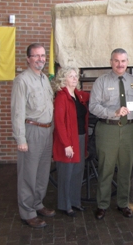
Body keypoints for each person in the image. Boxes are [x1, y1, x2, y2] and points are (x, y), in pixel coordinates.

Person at [89, 48, 133, 220]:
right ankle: (102, 205)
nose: (120, 64)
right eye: (116, 61)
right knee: (106, 168)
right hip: (108, 130)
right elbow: (93, 106)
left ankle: (123, 203)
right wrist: (114, 112)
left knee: (126, 168)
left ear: (127, 62)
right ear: (111, 62)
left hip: (129, 130)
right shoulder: (101, 82)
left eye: (123, 61)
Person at [11, 43, 55, 228]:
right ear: (28, 59)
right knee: (28, 174)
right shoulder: (22, 80)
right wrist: (21, 139)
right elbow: (17, 112)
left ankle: (37, 203)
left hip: (47, 131)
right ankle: (27, 211)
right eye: (36, 56)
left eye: (42, 55)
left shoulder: (44, 78)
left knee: (43, 172)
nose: (40, 59)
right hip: (32, 131)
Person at [52, 66, 89, 217]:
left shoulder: (78, 95)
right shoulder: (62, 97)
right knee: (66, 173)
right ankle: (65, 204)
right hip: (67, 141)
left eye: (76, 76)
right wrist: (66, 144)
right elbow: (59, 122)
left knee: (78, 172)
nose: (75, 78)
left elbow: (88, 96)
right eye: (71, 76)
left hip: (80, 138)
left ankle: (75, 201)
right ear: (63, 79)